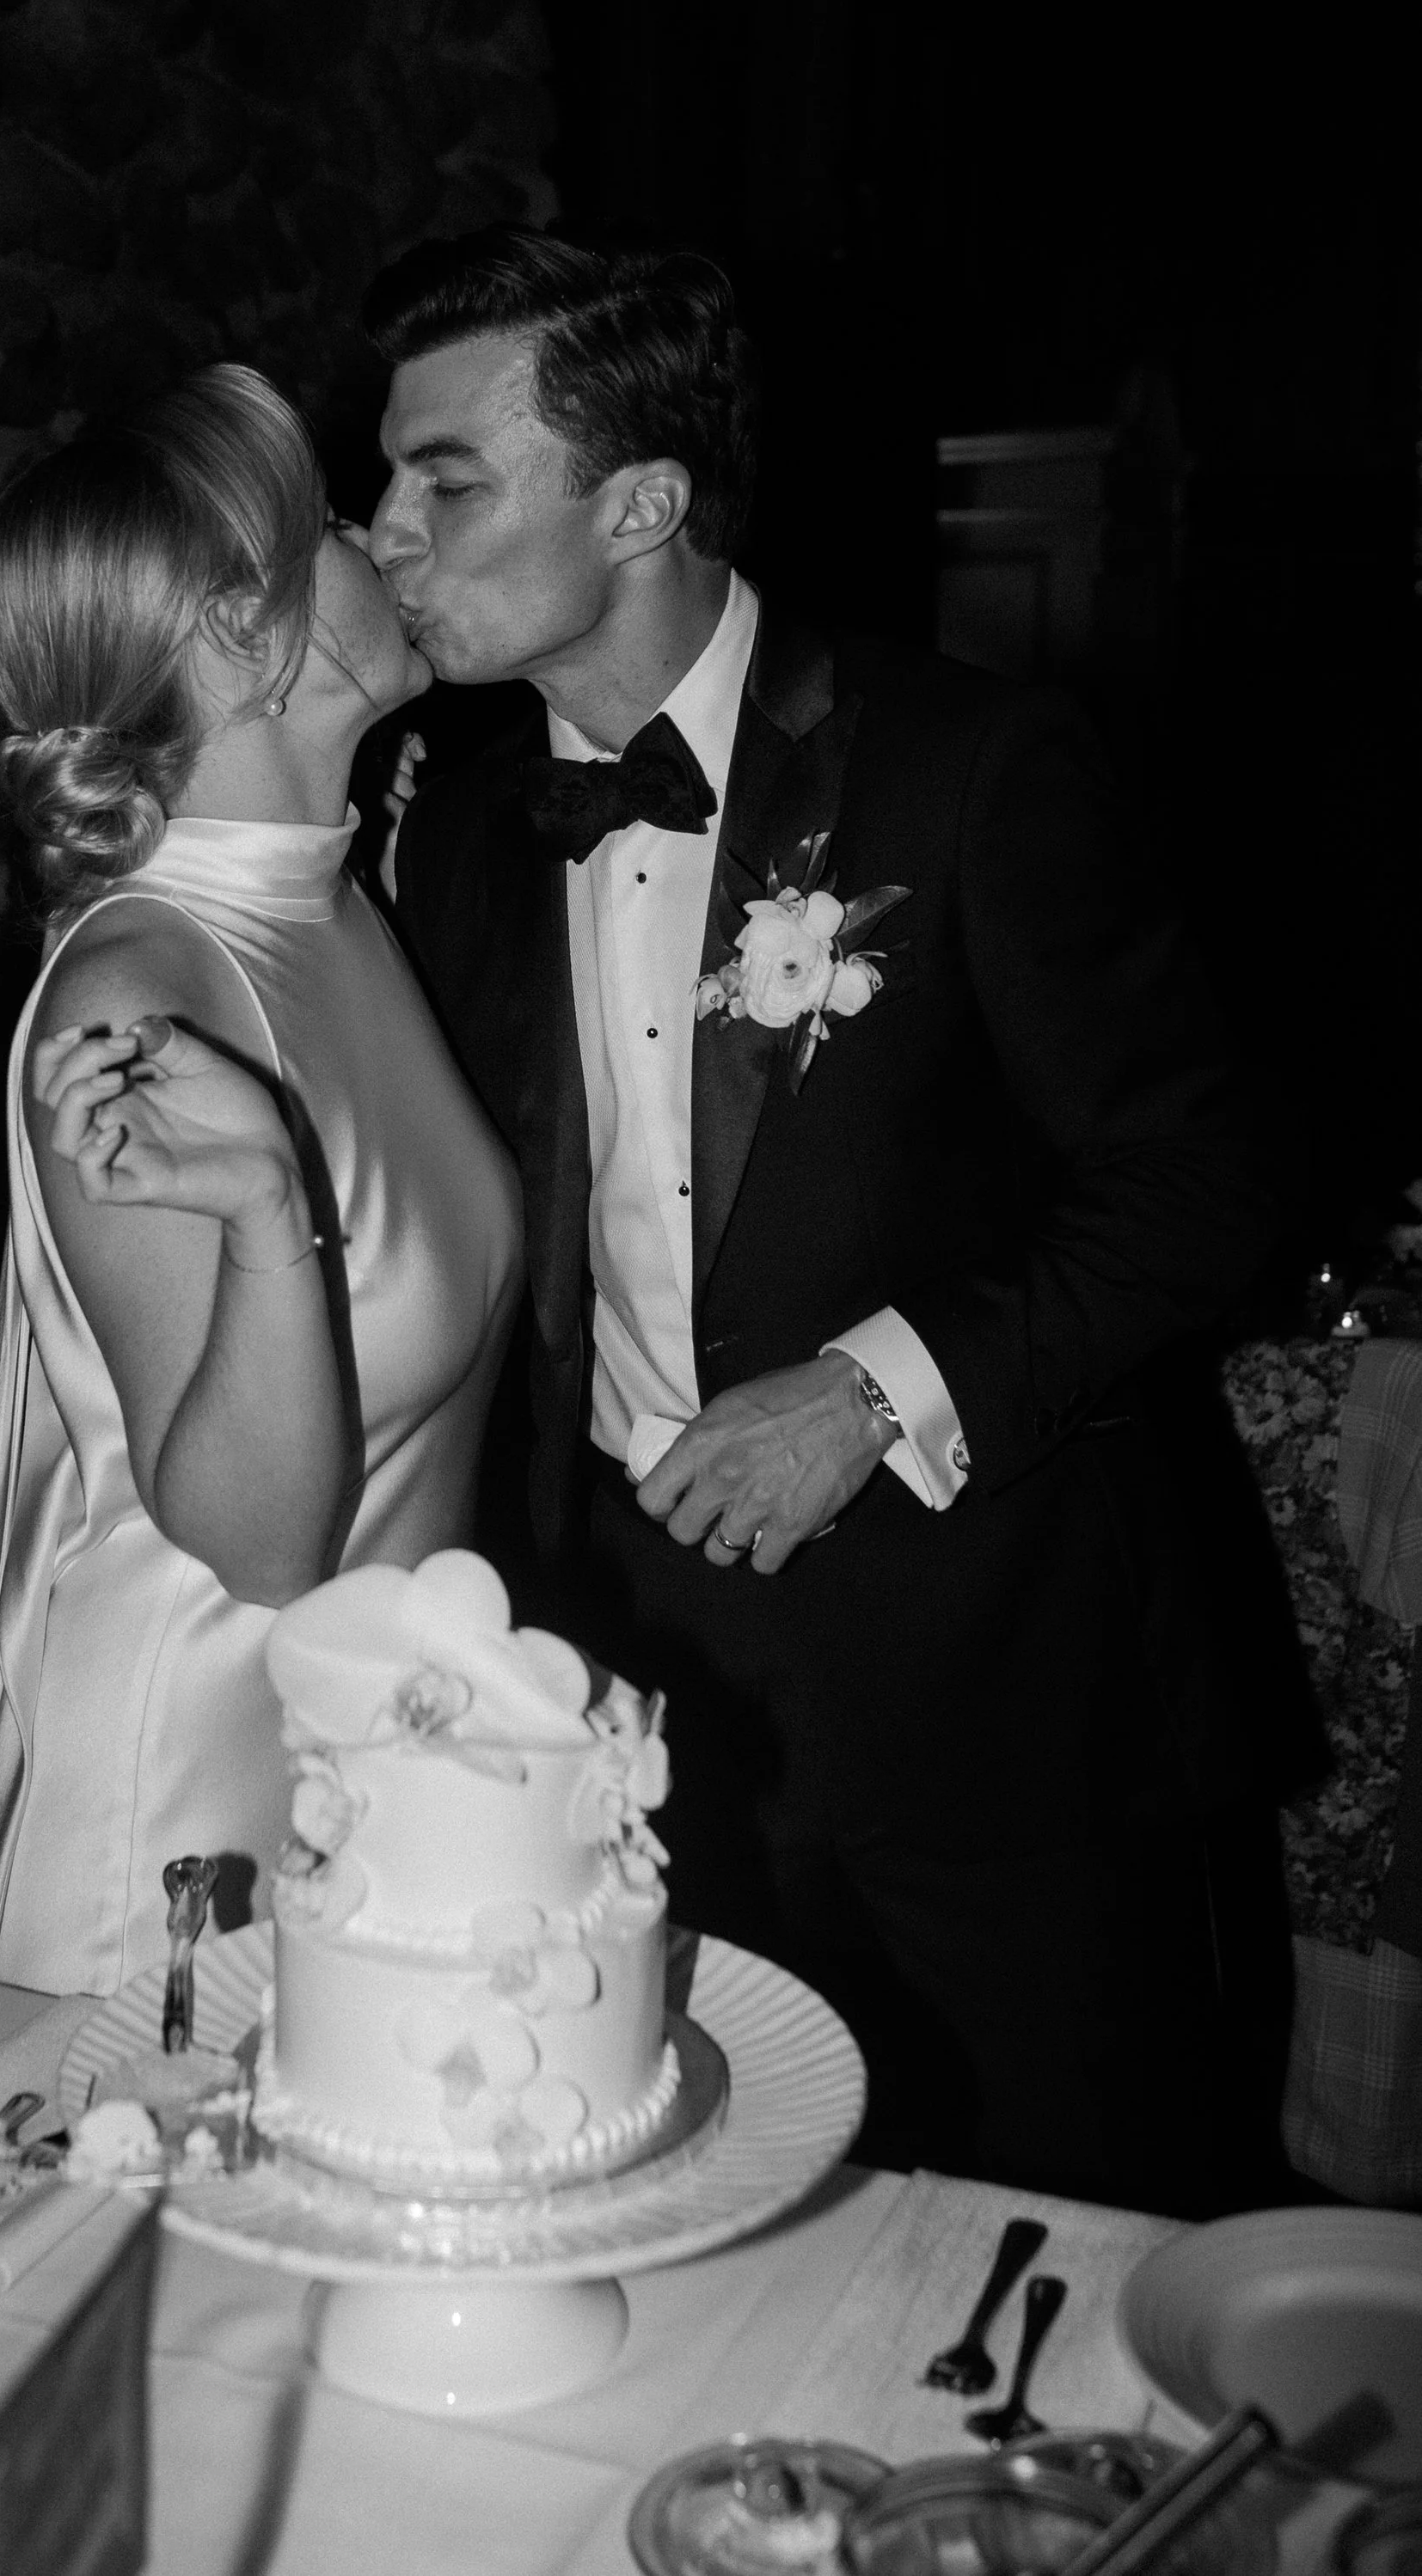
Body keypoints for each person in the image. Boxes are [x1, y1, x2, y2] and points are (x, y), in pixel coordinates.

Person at [363, 226, 1321, 2215]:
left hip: (1001, 1698)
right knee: (717, 2220)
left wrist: (871, 1393)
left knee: (1076, 2246)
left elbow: (1204, 1184)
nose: (384, 528)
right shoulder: (452, 822)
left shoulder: (976, 767)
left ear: (639, 500)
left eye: (442, 478)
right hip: (643, 1700)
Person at [0, 365, 523, 1994]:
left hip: (379, 1775)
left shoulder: (335, 908)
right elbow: (258, 1541)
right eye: (334, 517)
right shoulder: (143, 995)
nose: (381, 533)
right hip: (197, 1839)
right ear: (243, 632)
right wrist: (274, 1212)